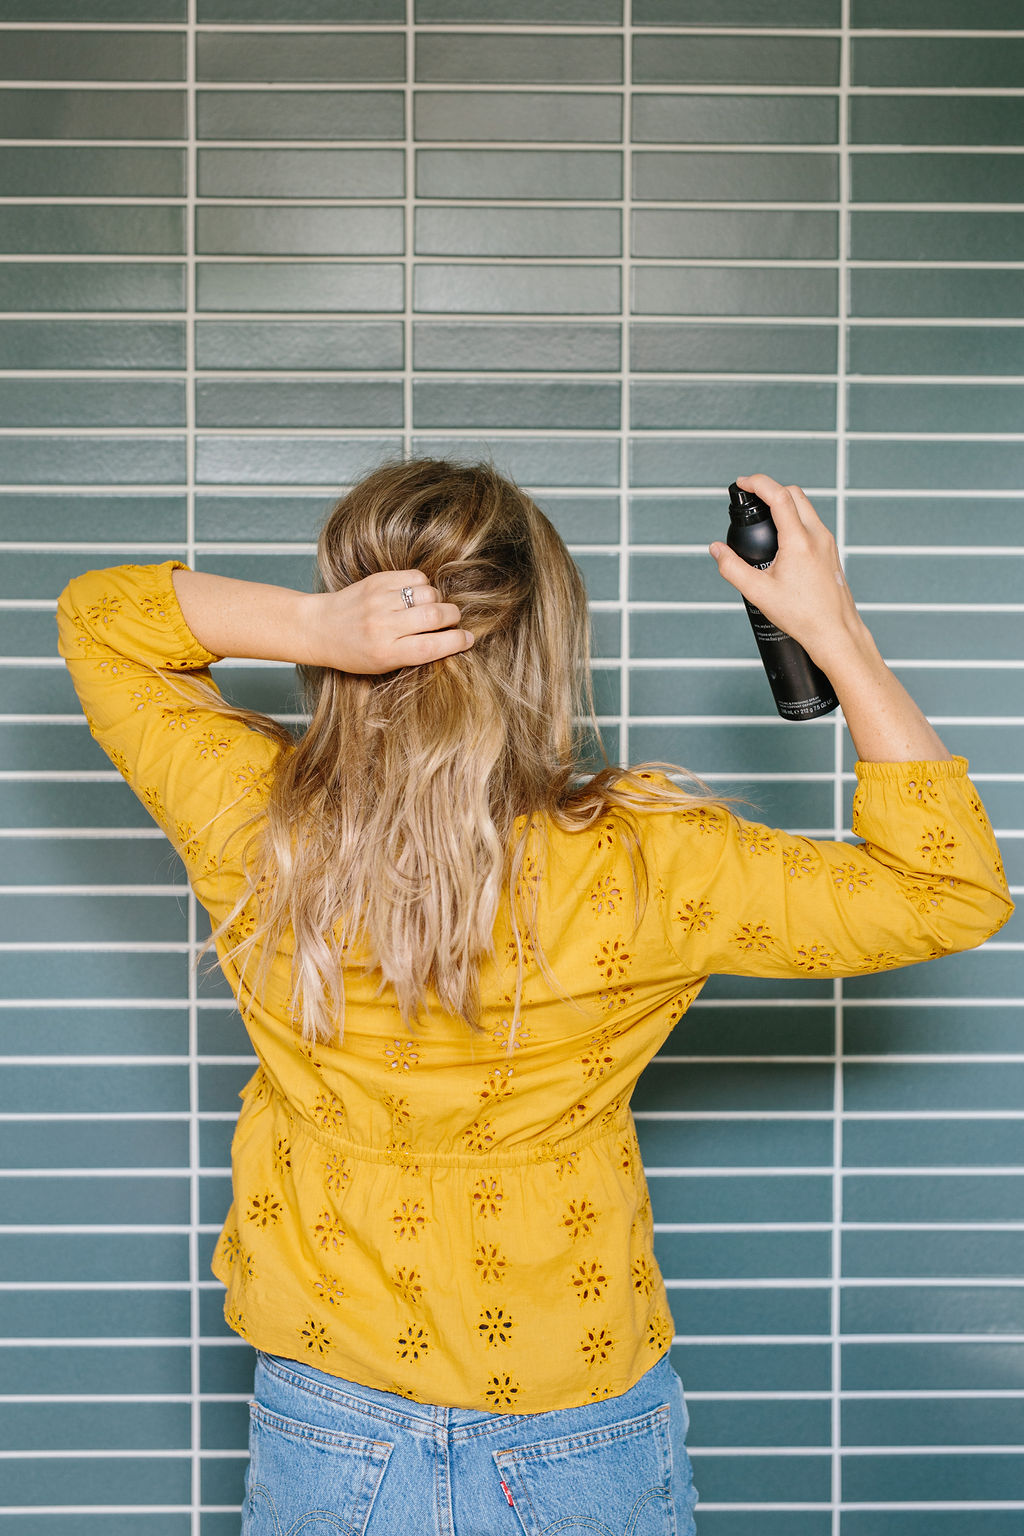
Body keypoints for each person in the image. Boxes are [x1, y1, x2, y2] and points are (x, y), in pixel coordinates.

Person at [57, 463, 1011, 1536]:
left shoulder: (252, 821)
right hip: (580, 1427)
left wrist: (315, 626)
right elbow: (948, 891)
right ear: (550, 642)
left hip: (328, 1412)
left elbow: (97, 619)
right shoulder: (653, 863)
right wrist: (832, 632)